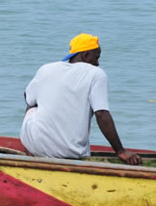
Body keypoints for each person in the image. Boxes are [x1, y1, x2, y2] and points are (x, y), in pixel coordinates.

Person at [20, 33, 141, 165]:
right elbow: (101, 114)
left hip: (34, 144)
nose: (98, 63)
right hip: (69, 152)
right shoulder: (96, 74)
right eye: (97, 57)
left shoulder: (46, 69)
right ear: (86, 55)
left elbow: (28, 97)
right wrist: (120, 151)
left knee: (33, 106)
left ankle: (31, 149)